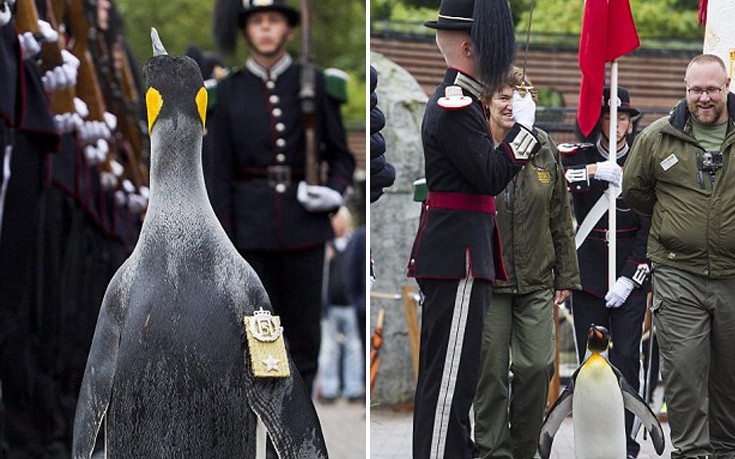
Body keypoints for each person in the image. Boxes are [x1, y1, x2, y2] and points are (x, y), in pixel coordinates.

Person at [406, 0, 541, 456]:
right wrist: (525, 134)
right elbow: (488, 174)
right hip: (457, 256)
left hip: (459, 252)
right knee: (450, 386)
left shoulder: (465, 101)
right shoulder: (456, 105)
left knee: (453, 379)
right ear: (468, 46)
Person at [205, 0, 355, 397]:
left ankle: (298, 436)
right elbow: (217, 174)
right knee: (258, 337)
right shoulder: (228, 92)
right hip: (249, 234)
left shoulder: (317, 83)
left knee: (305, 340)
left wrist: (334, 192)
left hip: (303, 227)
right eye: (258, 22)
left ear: (289, 29)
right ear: (247, 31)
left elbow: (341, 156)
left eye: (274, 21)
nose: (266, 29)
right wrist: (224, 241)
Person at [622, 54, 735, 459]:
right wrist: (679, 223)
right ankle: (691, 452)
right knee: (684, 371)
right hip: (677, 272)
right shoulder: (657, 137)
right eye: (695, 90)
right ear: (685, 90)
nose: (703, 98)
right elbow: (635, 192)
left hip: (733, 276)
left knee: (729, 376)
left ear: (726, 87)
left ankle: (726, 450)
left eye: (711, 89)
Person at [473, 67, 581, 459]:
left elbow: (559, 213)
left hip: (536, 279)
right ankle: (491, 451)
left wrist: (566, 274)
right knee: (490, 375)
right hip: (490, 278)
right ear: (486, 102)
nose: (512, 103)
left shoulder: (543, 145)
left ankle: (524, 450)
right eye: (504, 96)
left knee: (537, 367)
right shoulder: (477, 144)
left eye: (520, 95)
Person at [562, 86, 651, 459]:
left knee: (628, 357)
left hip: (628, 276)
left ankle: (627, 444)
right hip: (590, 276)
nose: (616, 125)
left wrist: (632, 277)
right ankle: (591, 440)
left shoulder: (642, 161)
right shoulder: (579, 156)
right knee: (589, 362)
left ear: (630, 124)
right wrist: (596, 171)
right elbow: (559, 178)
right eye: (608, 118)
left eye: (623, 119)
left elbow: (651, 224)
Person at [317, 206, 364, 403]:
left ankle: (353, 389)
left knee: (353, 349)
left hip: (349, 305)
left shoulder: (354, 241)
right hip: (330, 306)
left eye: (340, 219)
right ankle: (329, 390)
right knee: (329, 350)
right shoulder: (325, 245)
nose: (337, 223)